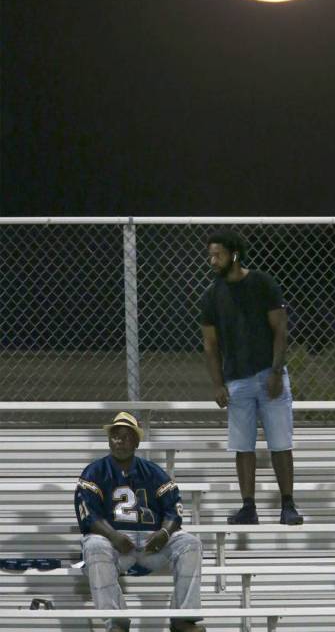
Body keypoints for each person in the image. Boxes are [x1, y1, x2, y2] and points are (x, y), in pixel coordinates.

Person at [200, 229, 303, 525]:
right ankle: (248, 506)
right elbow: (210, 344)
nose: (212, 260)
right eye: (210, 255)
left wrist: (275, 371)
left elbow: (280, 329)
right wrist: (218, 383)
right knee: (242, 445)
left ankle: (288, 504)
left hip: (268, 374)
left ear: (234, 254)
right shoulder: (211, 296)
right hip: (237, 381)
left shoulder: (261, 283)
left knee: (280, 442)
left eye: (217, 254)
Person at [74, 411, 205, 632]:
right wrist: (113, 536)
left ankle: (183, 619)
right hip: (113, 544)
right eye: (115, 436)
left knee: (190, 543)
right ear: (109, 440)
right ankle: (116, 623)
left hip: (151, 544)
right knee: (94, 545)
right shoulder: (95, 471)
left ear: (136, 441)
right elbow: (87, 514)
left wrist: (164, 533)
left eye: (125, 437)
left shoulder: (153, 471)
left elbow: (174, 509)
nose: (119, 442)